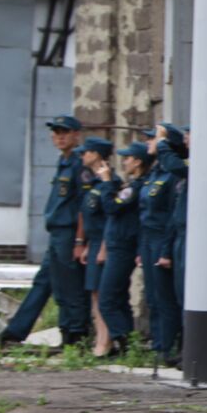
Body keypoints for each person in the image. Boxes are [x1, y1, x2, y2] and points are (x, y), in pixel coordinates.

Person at [1, 116, 89, 345]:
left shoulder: (79, 164)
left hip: (69, 234)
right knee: (43, 283)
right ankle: (14, 333)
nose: (59, 136)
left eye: (65, 132)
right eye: (56, 132)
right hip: (57, 233)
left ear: (76, 135)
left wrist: (80, 240)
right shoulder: (64, 161)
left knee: (69, 285)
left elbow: (83, 206)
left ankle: (75, 334)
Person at [97, 142, 148, 349]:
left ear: (137, 162)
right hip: (118, 245)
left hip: (123, 248)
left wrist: (107, 182)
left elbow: (111, 207)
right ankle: (128, 341)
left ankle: (123, 339)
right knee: (118, 297)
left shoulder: (135, 188)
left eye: (128, 158)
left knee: (107, 299)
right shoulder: (131, 185)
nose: (124, 162)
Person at [139, 127, 183, 361]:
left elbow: (171, 217)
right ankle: (157, 344)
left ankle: (167, 347)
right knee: (153, 296)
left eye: (153, 137)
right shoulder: (154, 173)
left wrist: (165, 250)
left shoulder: (172, 175)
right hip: (147, 238)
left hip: (161, 239)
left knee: (165, 297)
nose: (148, 141)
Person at [76, 137, 115, 356]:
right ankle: (100, 340)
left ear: (98, 155)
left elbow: (111, 217)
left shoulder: (109, 181)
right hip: (95, 241)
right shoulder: (93, 182)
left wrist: (103, 247)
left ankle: (105, 341)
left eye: (87, 152)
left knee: (102, 293)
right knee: (94, 293)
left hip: (105, 242)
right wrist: (88, 243)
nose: (82, 156)